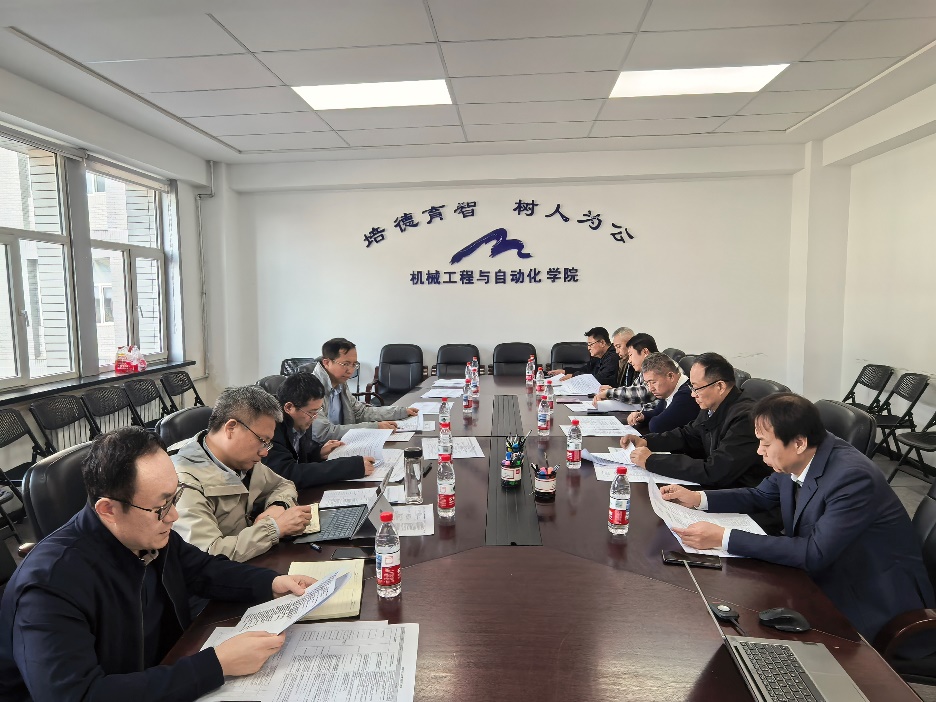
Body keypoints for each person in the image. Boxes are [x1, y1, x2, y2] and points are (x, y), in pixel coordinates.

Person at [0, 427, 317, 702]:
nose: (173, 516)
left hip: (159, 671)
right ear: (108, 509)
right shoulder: (49, 586)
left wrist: (271, 583)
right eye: (161, 506)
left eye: (174, 498)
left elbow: (203, 569)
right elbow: (78, 696)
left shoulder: (147, 533)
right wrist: (217, 665)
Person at [661, 393, 936, 647]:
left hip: (868, 598)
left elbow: (814, 553)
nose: (759, 451)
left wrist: (724, 537)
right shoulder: (802, 455)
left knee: (751, 630)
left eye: (765, 444)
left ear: (799, 442)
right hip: (824, 574)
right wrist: (698, 498)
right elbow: (761, 495)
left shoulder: (852, 478)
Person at [171, 385, 312, 562]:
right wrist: (274, 529)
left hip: (251, 560)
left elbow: (283, 484)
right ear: (231, 428)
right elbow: (208, 555)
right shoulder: (183, 480)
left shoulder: (240, 459)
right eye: (262, 441)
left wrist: (278, 505)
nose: (265, 452)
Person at [621, 352, 772, 491]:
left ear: (720, 386)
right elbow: (688, 434)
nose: (693, 395)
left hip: (738, 494)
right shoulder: (712, 405)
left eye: (696, 388)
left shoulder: (745, 418)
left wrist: (652, 461)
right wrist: (647, 441)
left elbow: (716, 471)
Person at [266, 372, 377, 488]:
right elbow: (287, 474)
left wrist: (318, 453)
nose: (315, 417)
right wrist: (350, 467)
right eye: (311, 412)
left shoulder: (301, 418)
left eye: (317, 411)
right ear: (289, 407)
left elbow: (298, 455)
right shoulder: (271, 427)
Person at [308, 337, 418, 443]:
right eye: (345, 364)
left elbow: (360, 412)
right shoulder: (311, 389)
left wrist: (401, 412)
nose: (350, 371)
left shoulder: (340, 383)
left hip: (342, 443)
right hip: (321, 451)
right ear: (326, 362)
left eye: (354, 364)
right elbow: (323, 433)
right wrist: (375, 428)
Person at [625, 352, 696, 433]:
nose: (651, 389)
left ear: (670, 376)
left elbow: (657, 425)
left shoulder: (687, 395)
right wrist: (642, 416)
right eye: (647, 383)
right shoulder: (670, 390)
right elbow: (657, 412)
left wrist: (652, 419)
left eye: (653, 382)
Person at [593, 332, 657, 406]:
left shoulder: (658, 368)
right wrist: (613, 391)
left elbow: (642, 393)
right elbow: (632, 389)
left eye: (631, 355)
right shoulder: (646, 370)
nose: (629, 361)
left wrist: (609, 393)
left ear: (645, 352)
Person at [548, 327, 619, 387]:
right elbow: (586, 369)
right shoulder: (599, 356)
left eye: (590, 344)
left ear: (602, 343)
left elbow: (599, 379)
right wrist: (565, 371)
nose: (588, 348)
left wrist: (573, 376)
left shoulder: (613, 357)